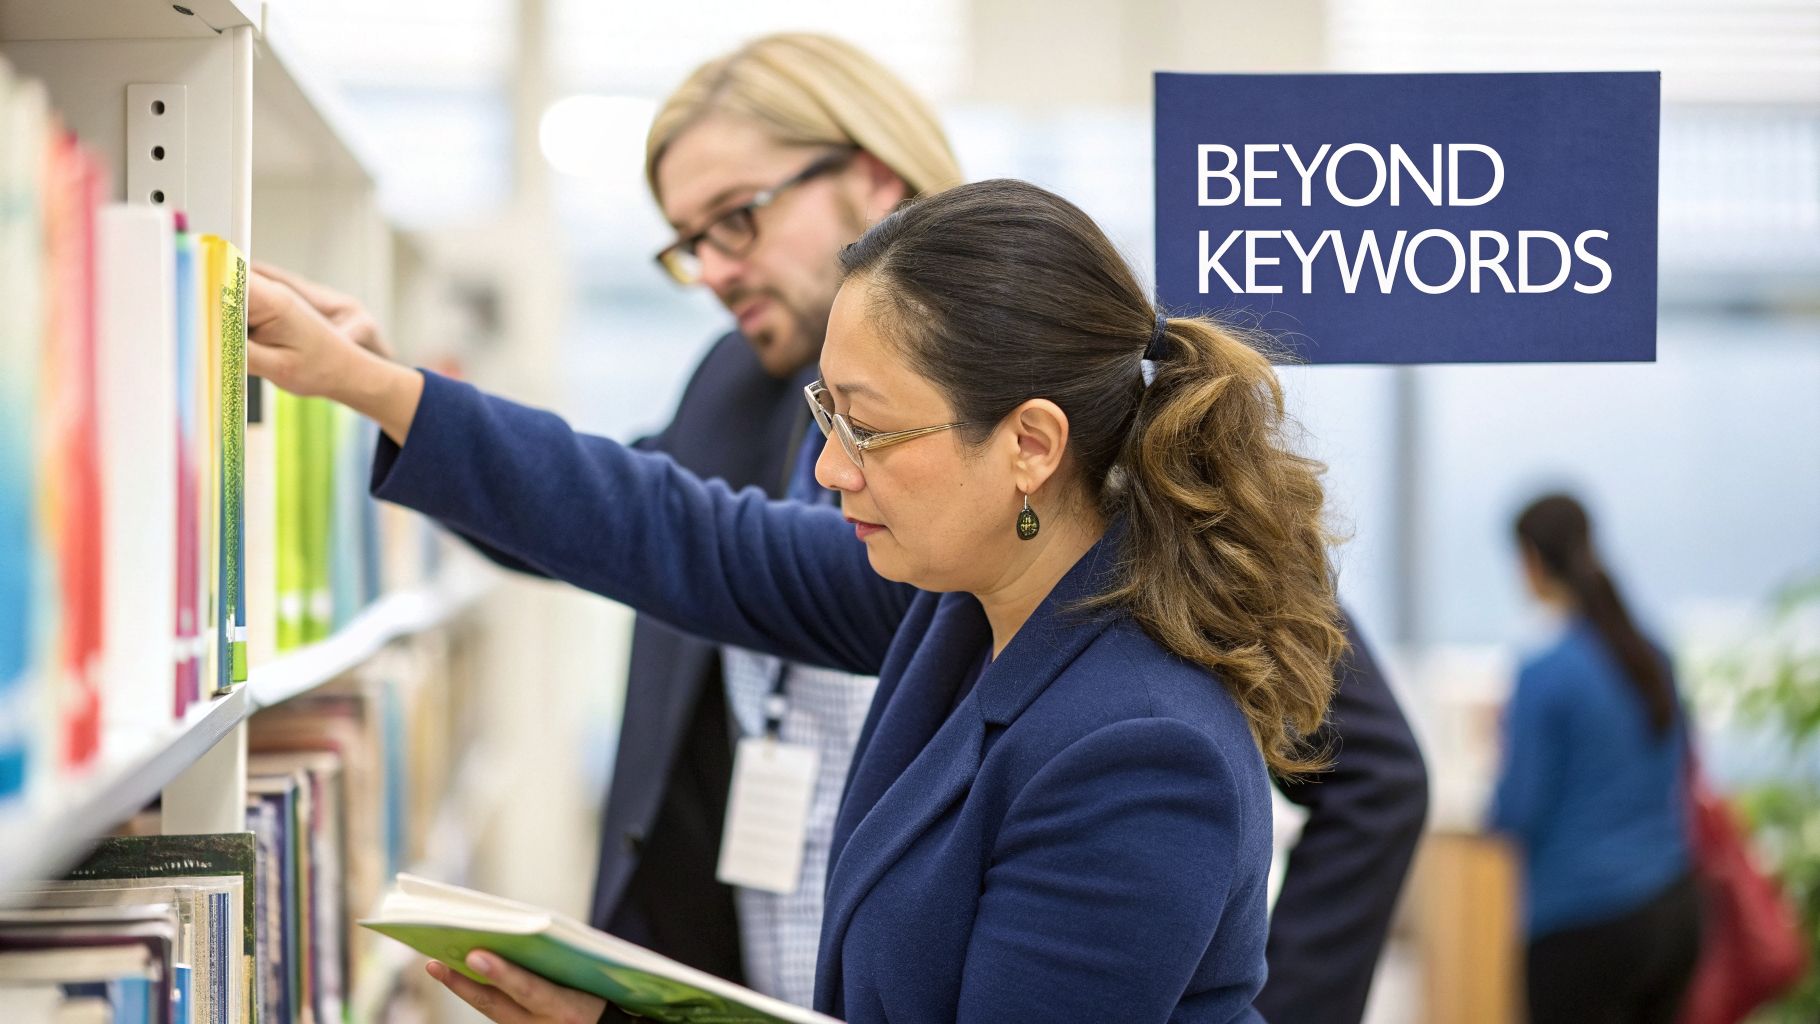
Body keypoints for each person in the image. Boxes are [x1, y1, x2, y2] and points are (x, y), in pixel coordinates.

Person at [269, 33, 1429, 1024]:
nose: (828, 474)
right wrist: (379, 387)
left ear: (1027, 442)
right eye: (829, 416)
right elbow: (661, 527)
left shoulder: (1134, 719)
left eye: (737, 218)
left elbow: (1355, 771)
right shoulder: (952, 580)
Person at [1492, 493, 1703, 1024]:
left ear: (1532, 561)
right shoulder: (1652, 654)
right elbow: (1681, 767)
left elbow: (1516, 813)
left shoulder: (1543, 674)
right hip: (1674, 910)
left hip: (1585, 925)